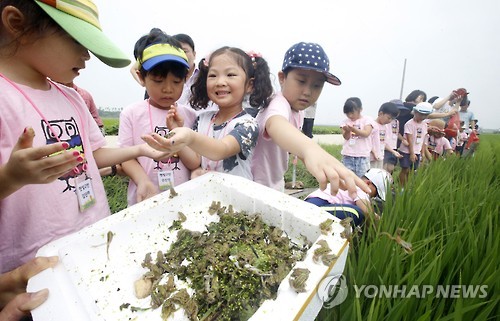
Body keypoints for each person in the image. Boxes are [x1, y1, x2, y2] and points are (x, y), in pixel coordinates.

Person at [0, 0, 170, 275]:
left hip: (94, 240)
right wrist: (11, 177)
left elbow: (94, 153)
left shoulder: (71, 97)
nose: (87, 56)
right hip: (33, 266)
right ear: (17, 23)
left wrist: (141, 150)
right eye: (78, 41)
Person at [250, 42, 370, 197]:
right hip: (254, 187)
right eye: (301, 81)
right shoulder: (279, 104)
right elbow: (275, 124)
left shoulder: (298, 111)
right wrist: (310, 149)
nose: (307, 92)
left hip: (273, 185)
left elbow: (293, 145)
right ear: (282, 78)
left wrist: (311, 159)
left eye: (317, 85)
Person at [141, 46, 273, 181]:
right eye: (213, 75)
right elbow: (194, 161)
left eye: (230, 75)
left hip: (236, 198)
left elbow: (221, 150)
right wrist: (177, 130)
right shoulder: (202, 119)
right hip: (208, 196)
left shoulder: (248, 125)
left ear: (249, 85)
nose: (220, 82)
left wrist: (189, 136)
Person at [118, 30, 198, 206]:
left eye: (176, 82)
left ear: (185, 79)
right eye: (158, 80)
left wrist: (178, 132)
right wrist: (142, 181)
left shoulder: (190, 115)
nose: (168, 89)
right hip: (145, 199)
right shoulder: (131, 113)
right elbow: (125, 157)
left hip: (183, 200)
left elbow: (194, 162)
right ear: (141, 77)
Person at [305, 168, 393, 226]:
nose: (373, 196)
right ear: (368, 183)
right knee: (356, 213)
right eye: (376, 193)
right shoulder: (359, 187)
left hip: (321, 205)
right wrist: (381, 223)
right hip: (316, 206)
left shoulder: (351, 183)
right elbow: (367, 211)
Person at [398, 102, 433, 186]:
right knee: (405, 169)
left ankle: (406, 186)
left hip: (417, 150)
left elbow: (423, 140)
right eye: (421, 114)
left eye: (425, 115)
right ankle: (401, 186)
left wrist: (423, 153)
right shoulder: (409, 124)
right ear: (415, 112)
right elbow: (409, 140)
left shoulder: (424, 125)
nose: (422, 117)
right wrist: (412, 153)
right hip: (406, 151)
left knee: (412, 170)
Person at [340, 97, 375, 177]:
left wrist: (353, 129)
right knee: (347, 177)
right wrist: (347, 131)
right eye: (347, 113)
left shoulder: (367, 120)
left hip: (362, 156)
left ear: (360, 109)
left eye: (352, 113)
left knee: (363, 178)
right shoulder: (345, 122)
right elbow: (346, 137)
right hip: (348, 155)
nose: (350, 115)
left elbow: (366, 133)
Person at [370, 102, 400, 169]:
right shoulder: (372, 125)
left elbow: (383, 143)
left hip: (380, 157)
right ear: (380, 113)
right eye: (388, 118)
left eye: (392, 119)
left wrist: (393, 151)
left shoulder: (385, 127)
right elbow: (368, 142)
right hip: (371, 158)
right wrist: (374, 153)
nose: (390, 121)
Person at [172, 33, 198, 106]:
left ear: (194, 54)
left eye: (184, 51)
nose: (181, 55)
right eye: (176, 52)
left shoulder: (207, 76)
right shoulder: (164, 80)